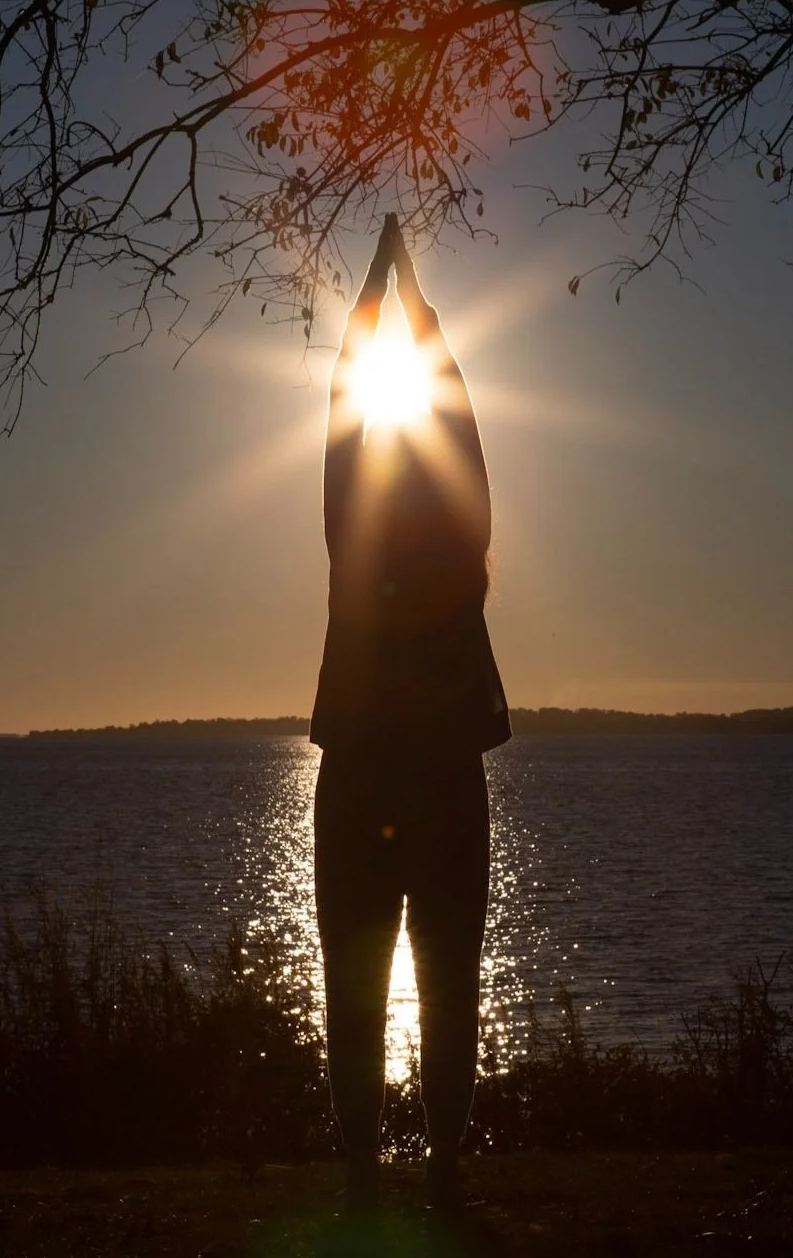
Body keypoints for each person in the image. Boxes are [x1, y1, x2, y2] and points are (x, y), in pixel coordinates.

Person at [310, 213, 510, 1210]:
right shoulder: (454, 547)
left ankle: (373, 1166)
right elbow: (454, 430)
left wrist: (381, 300)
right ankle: (434, 1159)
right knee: (445, 975)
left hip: (367, 771)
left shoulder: (356, 544)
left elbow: (350, 419)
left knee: (370, 977)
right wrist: (412, 306)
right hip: (428, 773)